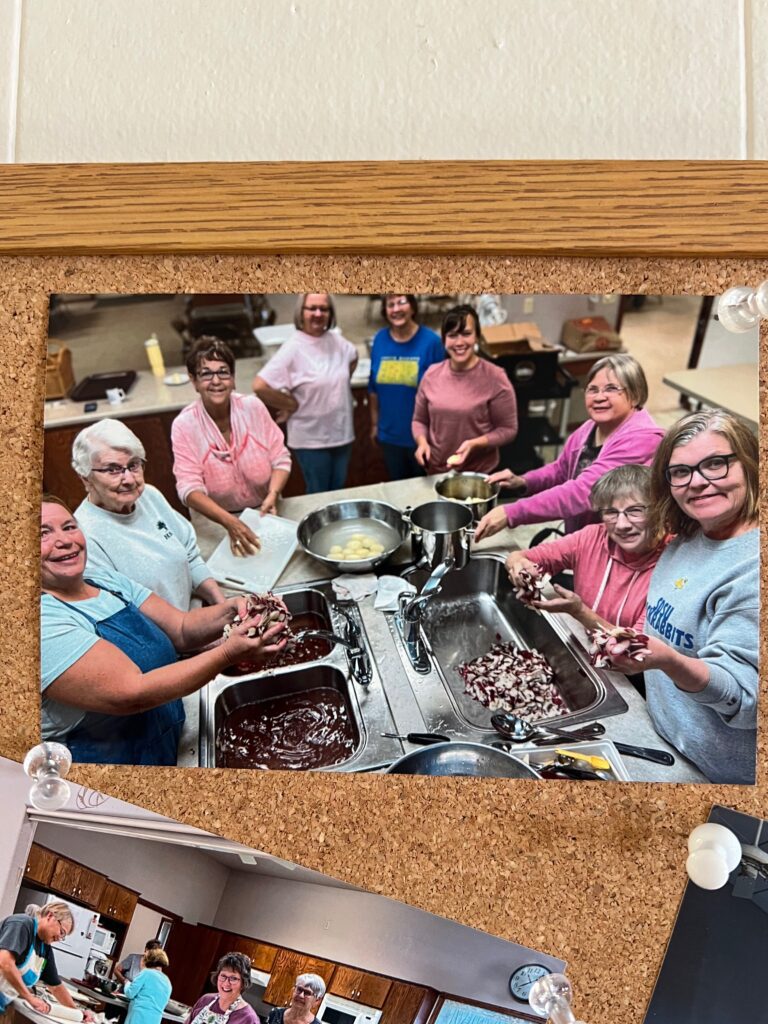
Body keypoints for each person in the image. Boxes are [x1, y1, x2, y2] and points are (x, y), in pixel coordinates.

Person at [41, 496, 287, 765]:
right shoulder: (45, 623)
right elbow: (131, 694)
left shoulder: (103, 579)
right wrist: (228, 654)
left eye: (69, 526)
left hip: (165, 733)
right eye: (43, 534)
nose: (64, 540)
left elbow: (180, 629)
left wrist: (234, 608)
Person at [604, 410, 759, 785]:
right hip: (664, 743)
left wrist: (669, 661)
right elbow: (670, 628)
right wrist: (638, 647)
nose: (699, 482)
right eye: (681, 471)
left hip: (714, 775)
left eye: (716, 464)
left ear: (751, 465)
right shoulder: (687, 538)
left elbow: (745, 700)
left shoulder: (752, 569)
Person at [474, 353, 665, 540]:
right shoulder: (590, 428)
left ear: (635, 395)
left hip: (621, 549)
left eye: (611, 389)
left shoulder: (641, 439)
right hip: (584, 543)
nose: (599, 397)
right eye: (592, 389)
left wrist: (511, 512)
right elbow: (561, 469)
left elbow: (584, 492)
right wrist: (523, 481)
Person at [72, 420, 225, 611]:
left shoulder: (150, 496)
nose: (128, 479)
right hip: (163, 638)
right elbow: (124, 615)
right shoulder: (85, 534)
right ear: (85, 478)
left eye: (133, 465)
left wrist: (223, 605)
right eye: (112, 469)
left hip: (195, 617)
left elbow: (190, 556)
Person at [505, 465, 667, 633]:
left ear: (658, 509)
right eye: (611, 512)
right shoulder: (591, 538)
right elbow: (522, 557)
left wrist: (579, 611)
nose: (621, 525)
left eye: (635, 511)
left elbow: (638, 646)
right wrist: (518, 565)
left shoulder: (674, 563)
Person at [171, 337, 292, 557]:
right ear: (194, 381)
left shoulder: (253, 407)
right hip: (215, 523)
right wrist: (230, 522)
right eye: (206, 373)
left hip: (265, 513)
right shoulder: (184, 425)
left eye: (223, 372)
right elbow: (188, 489)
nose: (216, 381)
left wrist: (273, 493)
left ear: (233, 379)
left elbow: (280, 458)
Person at [253, 293, 357, 494]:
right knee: (319, 495)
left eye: (323, 309)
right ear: (301, 313)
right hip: (311, 440)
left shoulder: (337, 341)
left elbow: (353, 358)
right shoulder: (293, 347)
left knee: (339, 491)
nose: (318, 314)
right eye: (311, 308)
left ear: (330, 313)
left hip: (342, 433)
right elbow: (260, 385)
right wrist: (290, 404)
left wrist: (339, 385)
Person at [411, 304, 518, 475]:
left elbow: (508, 429)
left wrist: (475, 443)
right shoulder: (431, 374)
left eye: (466, 334)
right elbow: (419, 421)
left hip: (478, 474)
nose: (459, 342)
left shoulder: (495, 377)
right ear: (444, 340)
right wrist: (422, 443)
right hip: (436, 470)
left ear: (477, 337)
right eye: (452, 335)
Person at [368, 294, 444, 479]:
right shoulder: (380, 339)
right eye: (390, 304)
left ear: (412, 306)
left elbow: (443, 391)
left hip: (422, 438)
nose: (396, 309)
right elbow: (373, 387)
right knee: (399, 490)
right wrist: (375, 424)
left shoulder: (431, 342)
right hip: (389, 436)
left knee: (423, 494)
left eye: (402, 302)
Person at [0, 903, 92, 1019]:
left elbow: (56, 987)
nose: (60, 938)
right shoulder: (22, 924)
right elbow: (5, 963)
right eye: (62, 932)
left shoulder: (45, 949)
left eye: (63, 936)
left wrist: (77, 1013)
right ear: (50, 916)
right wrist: (30, 997)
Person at [185, 953, 260, 1024]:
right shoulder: (205, 1000)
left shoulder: (249, 1019)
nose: (226, 983)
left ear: (243, 983)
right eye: (223, 976)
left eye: (233, 978)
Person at [124, 948, 172, 1024]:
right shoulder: (167, 981)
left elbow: (130, 993)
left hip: (138, 1016)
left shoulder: (146, 973)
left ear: (149, 961)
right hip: (155, 1020)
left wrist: (127, 983)